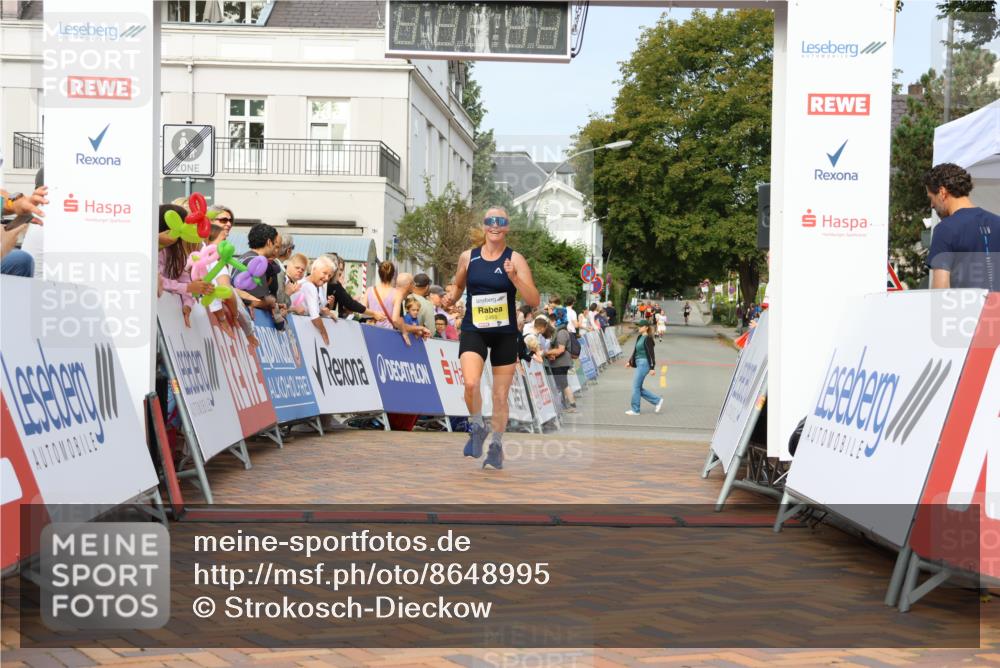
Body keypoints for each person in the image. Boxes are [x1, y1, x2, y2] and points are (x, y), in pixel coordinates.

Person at [442, 206, 540, 470]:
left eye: (500, 221)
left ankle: (496, 445)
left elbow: (534, 300)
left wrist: (514, 278)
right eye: (490, 221)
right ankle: (476, 426)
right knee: (471, 383)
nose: (495, 226)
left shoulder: (515, 259)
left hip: (505, 334)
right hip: (475, 328)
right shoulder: (468, 257)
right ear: (483, 225)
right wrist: (451, 297)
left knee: (499, 396)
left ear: (507, 226)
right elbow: (458, 284)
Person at [925, 162, 1000, 290]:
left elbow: (940, 290)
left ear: (942, 192)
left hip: (964, 308)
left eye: (931, 198)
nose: (932, 205)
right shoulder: (997, 222)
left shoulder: (945, 229)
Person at [625, 319, 664, 416]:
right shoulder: (639, 337)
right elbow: (636, 351)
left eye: (641, 326)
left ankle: (635, 410)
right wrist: (630, 362)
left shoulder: (648, 338)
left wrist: (652, 367)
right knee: (638, 388)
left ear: (646, 327)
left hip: (644, 364)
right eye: (638, 326)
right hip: (639, 362)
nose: (639, 327)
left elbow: (651, 354)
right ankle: (657, 401)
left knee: (635, 387)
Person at [544, 307, 577, 414]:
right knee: (561, 384)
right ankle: (563, 404)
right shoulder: (560, 330)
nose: (550, 321)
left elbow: (561, 349)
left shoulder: (561, 332)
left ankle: (572, 405)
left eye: (552, 319)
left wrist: (546, 353)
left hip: (561, 363)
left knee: (563, 384)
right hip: (559, 362)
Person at [297, 256, 337, 345]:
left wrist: (328, 310)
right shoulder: (309, 286)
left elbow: (319, 310)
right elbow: (315, 316)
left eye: (329, 276)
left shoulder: (320, 287)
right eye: (324, 273)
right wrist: (324, 333)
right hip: (302, 331)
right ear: (314, 269)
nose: (327, 278)